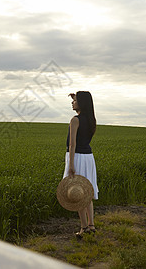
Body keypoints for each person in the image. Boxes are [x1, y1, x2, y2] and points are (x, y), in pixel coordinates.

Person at [65, 91, 99, 238]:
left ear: (81, 103)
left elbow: (72, 144)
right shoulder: (91, 120)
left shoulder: (75, 120)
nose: (72, 102)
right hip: (88, 158)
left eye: (75, 100)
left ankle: (83, 228)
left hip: (77, 157)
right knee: (87, 193)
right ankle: (91, 226)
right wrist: (77, 97)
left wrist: (71, 165)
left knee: (77, 194)